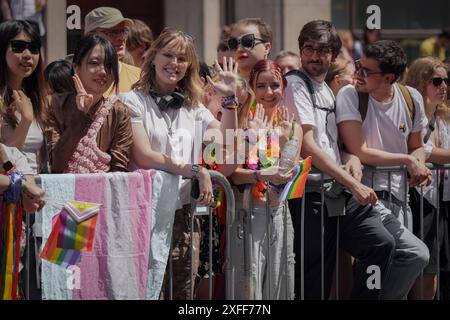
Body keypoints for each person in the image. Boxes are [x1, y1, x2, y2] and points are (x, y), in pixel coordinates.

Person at [119, 30, 239, 299]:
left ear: (189, 66)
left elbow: (225, 143)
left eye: (182, 58)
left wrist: (230, 100)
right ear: (152, 58)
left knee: (182, 294)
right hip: (143, 211)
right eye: (168, 55)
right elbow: (144, 156)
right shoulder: (131, 101)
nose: (174, 63)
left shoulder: (193, 107)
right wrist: (195, 171)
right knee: (145, 291)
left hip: (184, 213)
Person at [283, 19, 395, 300]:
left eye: (322, 50)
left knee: (380, 243)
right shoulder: (295, 84)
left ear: (333, 55)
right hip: (309, 195)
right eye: (308, 49)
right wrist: (353, 183)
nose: (314, 56)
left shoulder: (325, 90)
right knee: (313, 277)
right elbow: (308, 146)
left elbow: (329, 144)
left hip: (334, 192)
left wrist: (351, 157)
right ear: (301, 51)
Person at [336, 40, 431, 299]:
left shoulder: (411, 98)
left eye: (366, 70)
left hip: (401, 197)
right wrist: (408, 161)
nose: (357, 73)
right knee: (412, 254)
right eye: (358, 65)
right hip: (364, 196)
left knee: (401, 262)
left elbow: (417, 146)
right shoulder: (351, 95)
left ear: (389, 77)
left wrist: (418, 163)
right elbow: (360, 150)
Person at [230, 59, 301, 299]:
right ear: (251, 87)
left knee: (280, 287)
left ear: (284, 87)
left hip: (280, 213)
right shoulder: (241, 120)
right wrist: (257, 139)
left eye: (275, 85)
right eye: (261, 86)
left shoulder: (292, 125)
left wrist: (281, 140)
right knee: (249, 290)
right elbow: (231, 173)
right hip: (247, 214)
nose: (268, 93)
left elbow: (288, 173)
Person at [46, 35, 132, 173]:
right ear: (76, 67)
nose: (103, 71)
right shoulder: (55, 104)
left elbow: (119, 171)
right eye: (94, 63)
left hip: (102, 192)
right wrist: (80, 116)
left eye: (109, 65)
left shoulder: (119, 112)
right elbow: (56, 165)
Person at [404, 56, 450, 299]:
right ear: (421, 83)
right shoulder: (413, 114)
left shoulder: (444, 117)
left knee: (437, 269)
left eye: (446, 80)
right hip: (420, 201)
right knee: (424, 268)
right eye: (437, 81)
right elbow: (427, 152)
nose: (444, 86)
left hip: (442, 201)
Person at [0, 20, 47, 175]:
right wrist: (25, 120)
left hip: (36, 190)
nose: (28, 55)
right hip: (8, 193)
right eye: (18, 47)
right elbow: (4, 162)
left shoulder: (39, 97)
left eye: (34, 49)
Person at [84, 7, 141, 95]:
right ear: (90, 36)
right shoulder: (73, 77)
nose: (121, 38)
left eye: (123, 31)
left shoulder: (140, 77)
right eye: (113, 32)